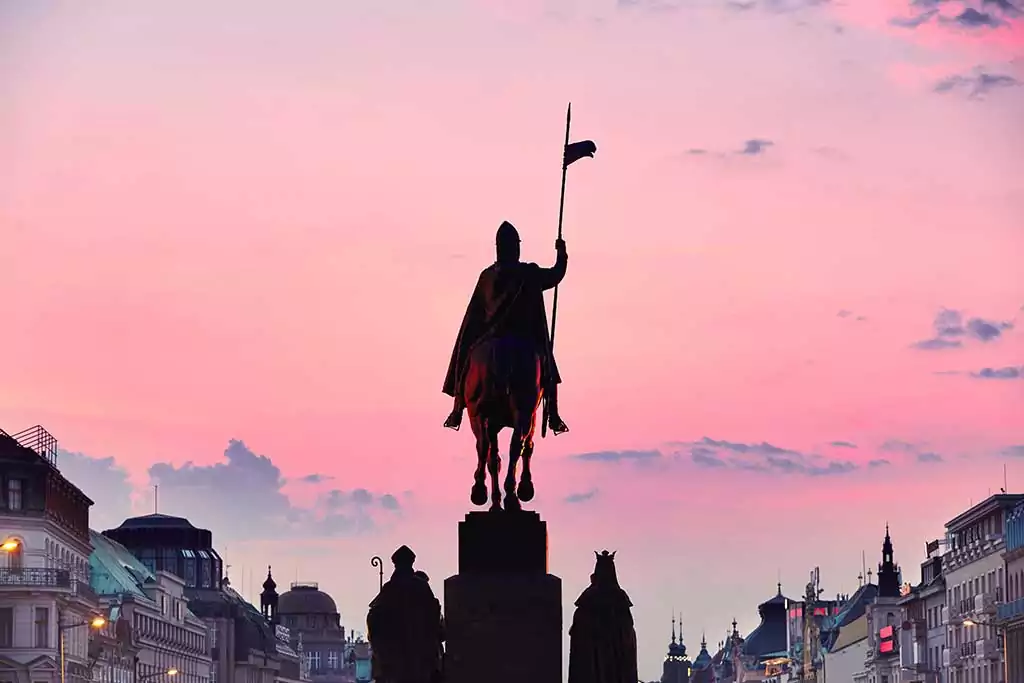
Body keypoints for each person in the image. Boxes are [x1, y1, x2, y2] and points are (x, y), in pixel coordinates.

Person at [442, 220, 569, 434]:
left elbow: (474, 317)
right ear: (516, 247)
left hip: (490, 337)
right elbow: (556, 274)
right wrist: (561, 253)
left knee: (467, 356)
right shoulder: (529, 273)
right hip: (523, 338)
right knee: (547, 366)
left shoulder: (487, 276)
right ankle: (554, 416)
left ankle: (457, 409)